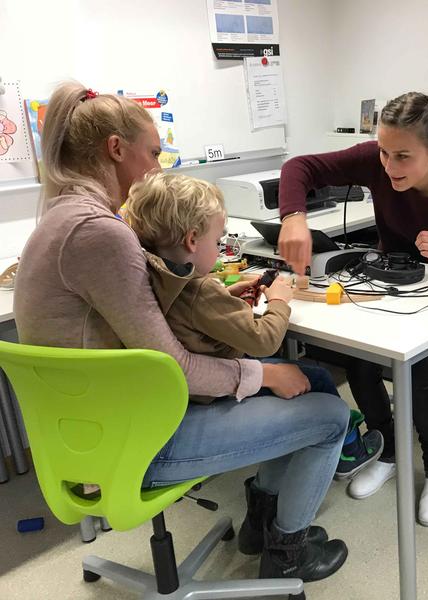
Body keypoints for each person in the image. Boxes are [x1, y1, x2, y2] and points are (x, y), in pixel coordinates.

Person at [13, 82, 349, 583]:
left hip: (86, 437)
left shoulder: (59, 220)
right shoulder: (101, 233)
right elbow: (175, 367)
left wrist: (217, 305)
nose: (157, 166)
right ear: (115, 149)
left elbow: (152, 324)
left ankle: (261, 522)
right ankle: (287, 551)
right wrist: (262, 374)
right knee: (328, 414)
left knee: (292, 384)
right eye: (153, 153)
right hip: (135, 443)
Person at [278, 91, 428, 526]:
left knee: (416, 371)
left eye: (402, 157)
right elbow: (298, 168)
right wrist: (293, 217)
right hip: (388, 287)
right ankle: (390, 451)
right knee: (361, 358)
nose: (388, 166)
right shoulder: (377, 160)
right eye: (383, 153)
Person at [124, 170, 383, 479]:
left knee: (307, 375)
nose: (221, 248)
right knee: (320, 380)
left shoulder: (158, 276)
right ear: (192, 239)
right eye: (218, 240)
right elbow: (264, 341)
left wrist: (226, 297)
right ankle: (346, 451)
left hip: (186, 393)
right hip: (216, 391)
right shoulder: (201, 291)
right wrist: (279, 300)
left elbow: (196, 315)